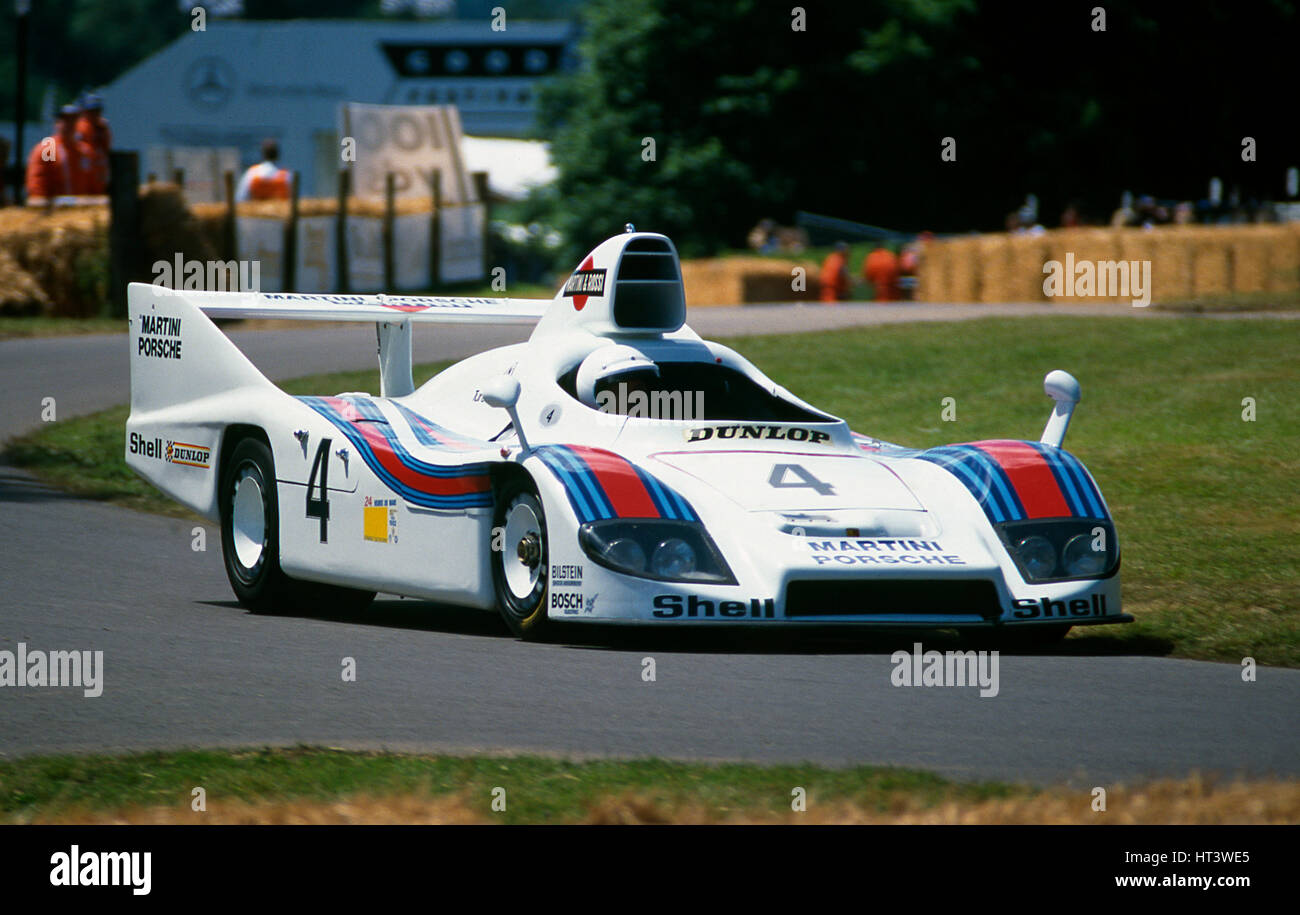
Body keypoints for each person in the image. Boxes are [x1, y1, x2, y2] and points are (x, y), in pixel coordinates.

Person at [25, 105, 97, 204]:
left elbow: (94, 187)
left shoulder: (85, 152)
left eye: (73, 120)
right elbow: (37, 187)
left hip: (81, 213)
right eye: (65, 120)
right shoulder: (48, 149)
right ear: (57, 123)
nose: (69, 124)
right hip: (54, 212)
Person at [75, 93, 111, 194]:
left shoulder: (102, 128)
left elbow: (106, 151)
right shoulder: (80, 129)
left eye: (97, 111)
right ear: (83, 112)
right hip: (84, 182)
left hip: (100, 180)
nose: (94, 115)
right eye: (91, 111)